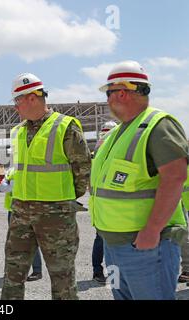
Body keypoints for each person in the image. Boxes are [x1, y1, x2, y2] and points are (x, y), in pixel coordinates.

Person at [90, 60, 188, 300]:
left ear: (122, 92)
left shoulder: (158, 126)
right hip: (115, 245)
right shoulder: (118, 132)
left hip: (145, 246)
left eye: (109, 93)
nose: (107, 100)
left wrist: (152, 231)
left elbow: (175, 178)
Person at [1, 73, 91, 300]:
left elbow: (82, 172)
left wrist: (60, 198)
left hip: (56, 215)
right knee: (12, 275)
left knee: (62, 278)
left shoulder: (66, 127)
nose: (15, 107)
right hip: (21, 212)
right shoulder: (18, 131)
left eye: (17, 101)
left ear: (32, 97)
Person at [0, 167, 42, 281]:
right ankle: (10, 271)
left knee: (31, 240)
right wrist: (15, 185)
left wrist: (12, 185)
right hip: (13, 211)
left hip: (29, 209)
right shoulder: (11, 171)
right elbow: (2, 187)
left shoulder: (31, 167)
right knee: (12, 242)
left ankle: (37, 271)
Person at [91, 120, 117, 284]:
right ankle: (109, 274)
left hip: (101, 202)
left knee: (101, 239)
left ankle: (98, 271)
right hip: (108, 202)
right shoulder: (110, 148)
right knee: (109, 241)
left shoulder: (97, 150)